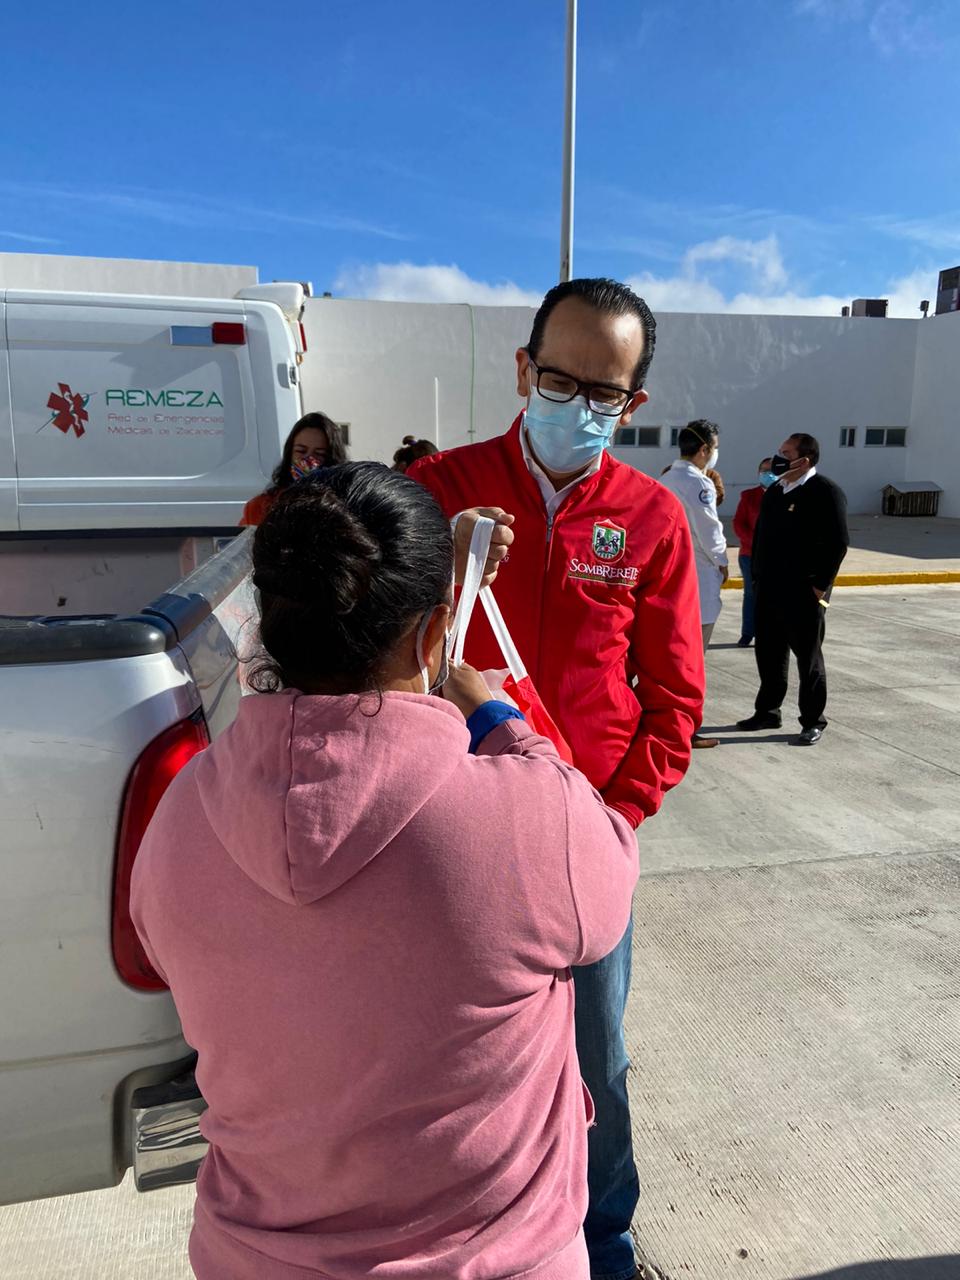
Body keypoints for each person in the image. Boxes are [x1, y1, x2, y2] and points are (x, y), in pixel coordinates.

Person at [131, 462, 639, 1280]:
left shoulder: (182, 815)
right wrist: (502, 721)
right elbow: (610, 893)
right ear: (435, 635)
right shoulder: (527, 821)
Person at [409, 277, 704, 1280]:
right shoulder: (443, 488)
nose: (580, 404)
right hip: (447, 829)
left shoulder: (651, 517)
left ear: (634, 404)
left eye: (606, 392)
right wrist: (443, 568)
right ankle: (472, 1218)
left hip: (584, 837)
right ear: (524, 369)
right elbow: (376, 654)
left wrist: (617, 817)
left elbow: (674, 696)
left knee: (597, 1052)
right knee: (451, 1050)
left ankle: (603, 1232)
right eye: (562, 377)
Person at [737, 433, 849, 745]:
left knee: (808, 658)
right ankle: (768, 711)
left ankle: (813, 720)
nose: (778, 458)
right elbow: (760, 537)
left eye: (786, 452)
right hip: (769, 589)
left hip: (804, 593)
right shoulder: (775, 491)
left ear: (804, 460)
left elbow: (838, 543)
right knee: (769, 654)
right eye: (779, 451)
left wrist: (819, 586)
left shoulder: (825, 492)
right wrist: (757, 577)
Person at [659, 420, 729, 751]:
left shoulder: (665, 479)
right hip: (698, 584)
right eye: (713, 449)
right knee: (691, 665)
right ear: (704, 450)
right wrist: (723, 561)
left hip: (670, 583)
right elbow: (709, 530)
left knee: (665, 663)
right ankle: (686, 729)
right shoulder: (697, 483)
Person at [239, 411, 349, 526]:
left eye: (319, 454)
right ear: (289, 453)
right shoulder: (260, 507)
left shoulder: (346, 509)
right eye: (301, 451)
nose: (308, 460)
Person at [732, 457, 775, 646]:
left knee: (772, 596)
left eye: (771, 470)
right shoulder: (748, 496)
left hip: (776, 557)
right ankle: (748, 632)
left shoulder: (786, 495)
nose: (767, 474)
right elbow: (738, 524)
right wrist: (756, 543)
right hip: (750, 555)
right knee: (751, 594)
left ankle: (769, 634)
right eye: (764, 470)